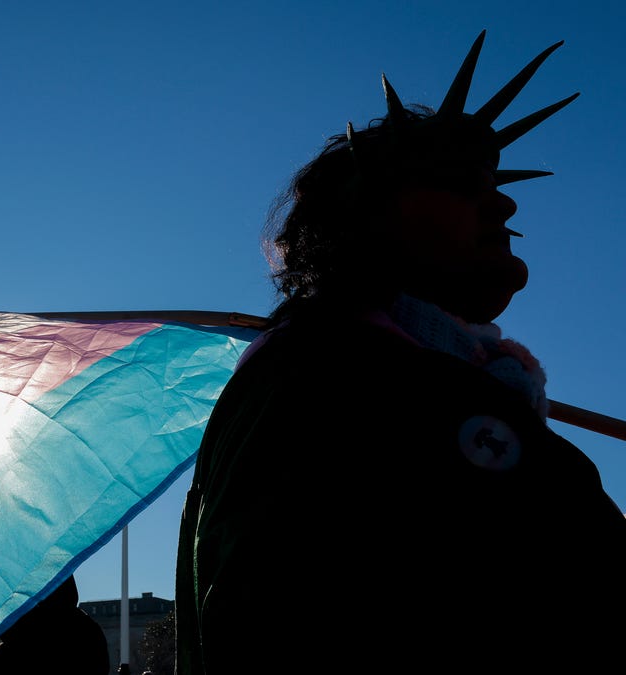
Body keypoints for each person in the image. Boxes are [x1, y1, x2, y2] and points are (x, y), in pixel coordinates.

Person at [175, 32, 626, 671]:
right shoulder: (332, 382)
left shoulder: (405, 379)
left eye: (490, 184)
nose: (503, 202)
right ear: (367, 216)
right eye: (459, 183)